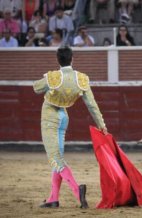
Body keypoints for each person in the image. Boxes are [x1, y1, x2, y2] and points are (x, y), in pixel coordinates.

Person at [33, 46, 107, 209]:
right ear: (72, 59)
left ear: (58, 60)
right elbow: (92, 105)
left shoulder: (53, 77)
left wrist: (47, 80)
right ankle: (53, 199)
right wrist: (101, 125)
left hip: (50, 118)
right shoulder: (81, 79)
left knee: (55, 159)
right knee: (57, 157)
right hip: (63, 118)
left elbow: (36, 87)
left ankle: (76, 190)